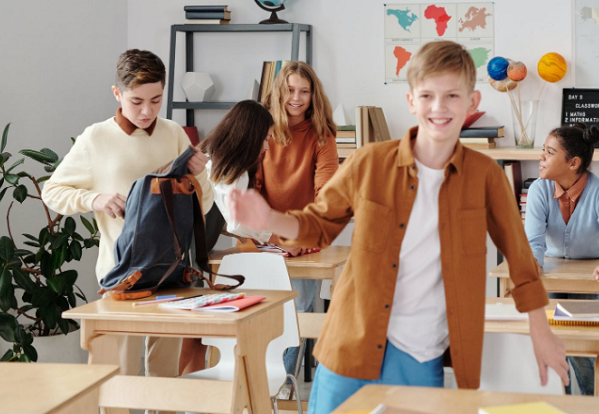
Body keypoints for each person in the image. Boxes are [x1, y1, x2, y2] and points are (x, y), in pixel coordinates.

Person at [226, 41, 569, 414]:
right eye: (427, 96)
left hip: (421, 355)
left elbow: (521, 260)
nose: (439, 108)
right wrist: (268, 219)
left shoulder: (486, 177)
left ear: (471, 102)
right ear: (411, 101)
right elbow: (318, 224)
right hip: (350, 344)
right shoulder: (370, 162)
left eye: (452, 95)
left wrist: (541, 330)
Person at [41, 49, 214, 414]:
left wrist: (199, 174)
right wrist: (96, 199)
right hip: (120, 276)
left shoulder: (173, 134)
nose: (147, 111)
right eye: (137, 101)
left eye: (155, 100)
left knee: (165, 378)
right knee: (117, 377)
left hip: (169, 274)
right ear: (117, 94)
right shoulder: (95, 138)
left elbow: (203, 206)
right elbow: (52, 191)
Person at [524, 123, 599, 395]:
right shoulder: (538, 190)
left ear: (573, 163)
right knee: (552, 341)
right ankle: (563, 403)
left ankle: (592, 404)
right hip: (552, 271)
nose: (541, 157)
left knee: (582, 347)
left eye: (549, 152)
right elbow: (533, 244)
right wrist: (532, 264)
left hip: (588, 278)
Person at [177, 100, 276, 375]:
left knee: (188, 343)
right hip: (190, 263)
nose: (266, 147)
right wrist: (273, 235)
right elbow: (236, 220)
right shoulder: (233, 168)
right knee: (195, 342)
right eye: (265, 139)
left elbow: (219, 216)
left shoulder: (207, 156)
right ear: (250, 135)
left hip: (178, 256)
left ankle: (182, 404)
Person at [258, 61, 338, 393]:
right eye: (290, 90)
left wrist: (302, 235)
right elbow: (252, 188)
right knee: (261, 312)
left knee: (298, 313)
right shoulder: (262, 132)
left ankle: (281, 386)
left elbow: (327, 193)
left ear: (313, 95)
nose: (297, 98)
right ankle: (257, 382)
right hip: (263, 238)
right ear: (279, 92)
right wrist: (274, 235)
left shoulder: (322, 135)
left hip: (306, 240)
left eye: (304, 92)